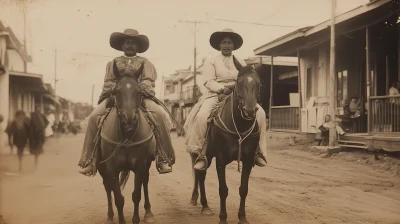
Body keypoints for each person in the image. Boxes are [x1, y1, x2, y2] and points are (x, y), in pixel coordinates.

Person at [78, 29, 175, 176]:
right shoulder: (113, 63)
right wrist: (117, 89)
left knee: (160, 114)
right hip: (117, 97)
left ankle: (163, 157)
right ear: (122, 45)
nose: (130, 45)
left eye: (133, 43)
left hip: (140, 97)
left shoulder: (145, 63)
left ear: (137, 46)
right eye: (127, 43)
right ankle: (89, 159)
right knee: (93, 118)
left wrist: (139, 88)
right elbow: (108, 81)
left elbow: (148, 81)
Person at [184, 28, 267, 170]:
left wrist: (239, 88)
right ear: (219, 45)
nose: (227, 45)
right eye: (224, 43)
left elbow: (245, 79)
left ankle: (258, 152)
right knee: (203, 116)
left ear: (234, 45)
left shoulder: (240, 61)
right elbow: (208, 81)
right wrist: (222, 89)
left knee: (260, 113)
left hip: (238, 93)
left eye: (230, 43)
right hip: (216, 94)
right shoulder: (211, 60)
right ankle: (200, 152)